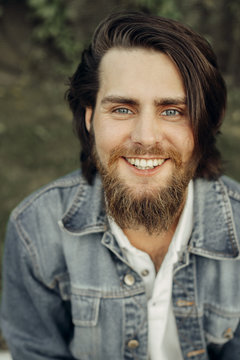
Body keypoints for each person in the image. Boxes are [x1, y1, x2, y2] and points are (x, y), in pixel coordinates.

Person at [1, 10, 240, 360]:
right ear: (89, 117)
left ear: (205, 122)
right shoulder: (35, 230)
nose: (145, 137)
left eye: (172, 110)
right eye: (123, 109)